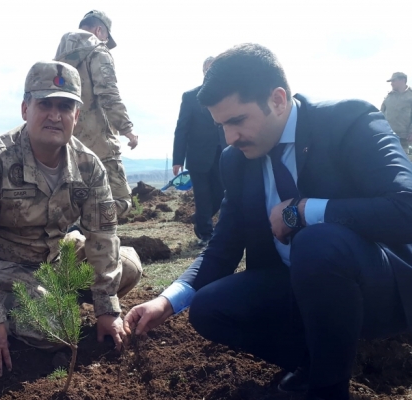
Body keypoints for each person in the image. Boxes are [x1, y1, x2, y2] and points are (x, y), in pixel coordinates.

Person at [123, 43, 412, 400]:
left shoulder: (348, 121)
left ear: (277, 99)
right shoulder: (237, 160)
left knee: (315, 241)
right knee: (209, 307)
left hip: (381, 289)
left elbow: (406, 208)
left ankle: (327, 391)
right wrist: (166, 302)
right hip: (299, 291)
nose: (229, 138)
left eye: (237, 121)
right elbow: (223, 248)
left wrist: (304, 211)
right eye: (221, 126)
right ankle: (315, 364)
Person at [0, 60, 142, 377]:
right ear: (25, 108)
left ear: (76, 115)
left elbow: (103, 236)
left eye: (65, 106)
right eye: (44, 104)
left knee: (129, 267)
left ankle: (42, 305)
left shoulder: (89, 166)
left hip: (50, 256)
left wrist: (106, 309)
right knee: (56, 329)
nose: (54, 114)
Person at [54, 10, 136, 218]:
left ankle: (74, 242)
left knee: (73, 201)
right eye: (107, 37)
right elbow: (108, 93)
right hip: (99, 142)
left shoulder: (58, 59)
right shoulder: (99, 52)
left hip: (64, 142)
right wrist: (127, 128)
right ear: (100, 30)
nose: (106, 42)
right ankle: (97, 242)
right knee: (120, 201)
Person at [172, 57, 225, 247]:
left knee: (220, 194)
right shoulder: (190, 97)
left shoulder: (227, 95)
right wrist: (177, 159)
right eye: (209, 70)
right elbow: (182, 128)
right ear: (203, 72)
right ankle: (205, 234)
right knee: (202, 195)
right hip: (197, 155)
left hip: (222, 154)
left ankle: (201, 220)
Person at [381, 72, 412, 154]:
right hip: (387, 135)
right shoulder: (389, 96)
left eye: (394, 81)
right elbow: (381, 114)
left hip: (403, 137)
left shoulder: (410, 96)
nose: (391, 84)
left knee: (402, 163)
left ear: (403, 80)